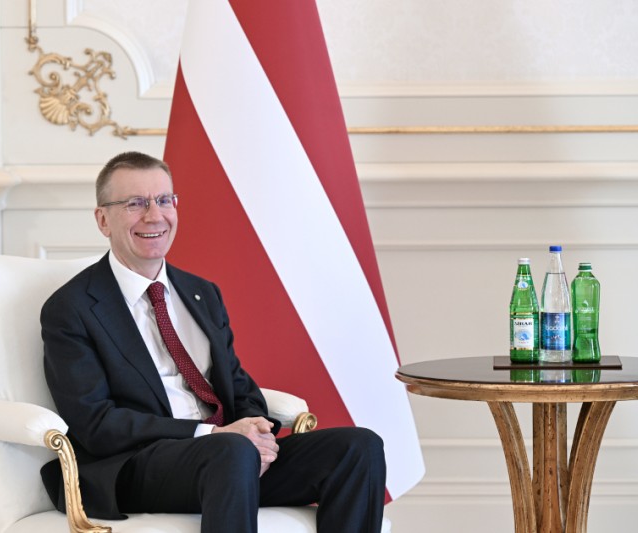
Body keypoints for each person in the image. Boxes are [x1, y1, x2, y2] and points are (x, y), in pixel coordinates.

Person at [40, 151, 387, 533]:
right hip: (138, 464)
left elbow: (238, 385)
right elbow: (96, 423)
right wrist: (212, 435)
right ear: (103, 219)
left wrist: (257, 431)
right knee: (232, 450)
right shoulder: (72, 308)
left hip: (227, 458)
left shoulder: (201, 293)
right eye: (135, 203)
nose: (154, 216)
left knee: (359, 448)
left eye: (164, 200)